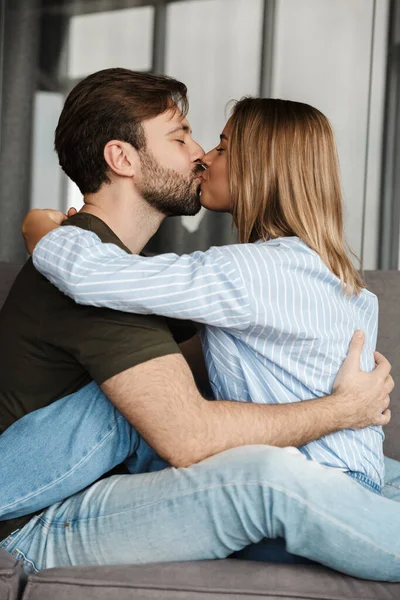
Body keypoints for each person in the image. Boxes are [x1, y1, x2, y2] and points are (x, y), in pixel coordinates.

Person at [0, 69, 398, 582]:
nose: (201, 153)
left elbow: (190, 363)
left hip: (79, 484)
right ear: (122, 159)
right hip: (35, 520)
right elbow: (189, 435)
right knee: (268, 478)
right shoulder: (102, 280)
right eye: (180, 135)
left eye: (213, 142)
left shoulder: (137, 278)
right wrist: (343, 409)